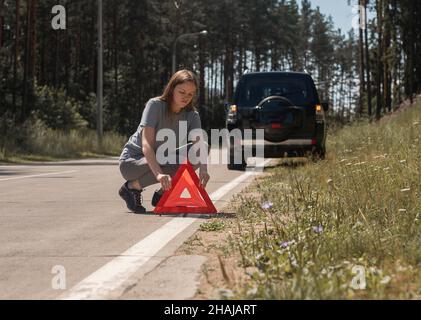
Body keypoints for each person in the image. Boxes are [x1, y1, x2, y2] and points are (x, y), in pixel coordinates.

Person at [118, 70, 210, 213]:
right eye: (182, 92)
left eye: (190, 94)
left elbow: (199, 145)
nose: (186, 97)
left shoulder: (192, 115)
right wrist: (159, 174)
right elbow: (146, 145)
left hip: (162, 158)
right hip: (132, 162)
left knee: (202, 147)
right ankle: (132, 187)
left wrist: (204, 170)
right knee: (167, 159)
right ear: (172, 88)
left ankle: (163, 193)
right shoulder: (154, 105)